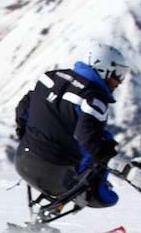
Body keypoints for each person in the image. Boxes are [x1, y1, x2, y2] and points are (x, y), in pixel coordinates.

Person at [13, 43, 132, 210]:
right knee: (105, 193)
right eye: (118, 74)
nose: (119, 82)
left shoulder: (49, 78)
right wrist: (112, 159)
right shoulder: (93, 99)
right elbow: (88, 138)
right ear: (102, 68)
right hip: (56, 175)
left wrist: (28, 139)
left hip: (23, 162)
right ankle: (94, 190)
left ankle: (50, 211)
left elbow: (23, 109)